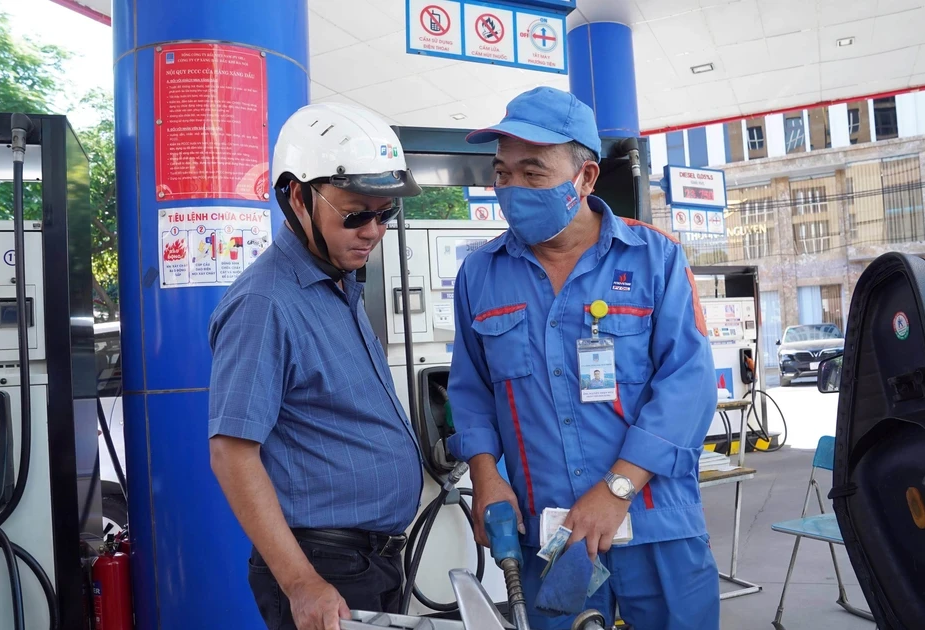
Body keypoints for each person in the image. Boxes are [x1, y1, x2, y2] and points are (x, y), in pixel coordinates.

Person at [446, 86, 720, 629]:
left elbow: (689, 384)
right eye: (503, 173)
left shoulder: (654, 259)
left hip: (655, 525)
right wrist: (485, 474)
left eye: (533, 173)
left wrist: (617, 487)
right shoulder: (480, 275)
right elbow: (471, 390)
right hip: (552, 541)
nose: (513, 188)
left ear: (585, 178)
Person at [207, 102, 424, 630]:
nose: (373, 231)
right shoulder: (266, 303)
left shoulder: (336, 289)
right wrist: (301, 583)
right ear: (298, 196)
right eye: (356, 213)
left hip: (366, 562)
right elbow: (233, 454)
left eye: (385, 213)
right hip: (325, 569)